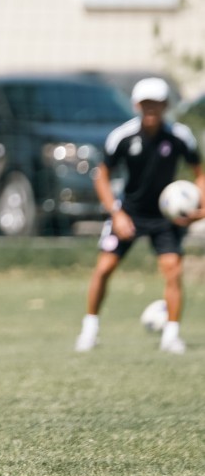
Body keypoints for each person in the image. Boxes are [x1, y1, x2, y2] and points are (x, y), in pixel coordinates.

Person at [76, 77, 205, 355]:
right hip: (129, 213)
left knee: (173, 270)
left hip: (165, 216)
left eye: (156, 103)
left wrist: (198, 207)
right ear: (137, 105)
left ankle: (171, 336)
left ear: (165, 105)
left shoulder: (179, 136)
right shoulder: (122, 137)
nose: (151, 109)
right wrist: (116, 213)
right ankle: (89, 330)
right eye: (146, 103)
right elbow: (102, 175)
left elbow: (199, 173)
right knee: (104, 268)